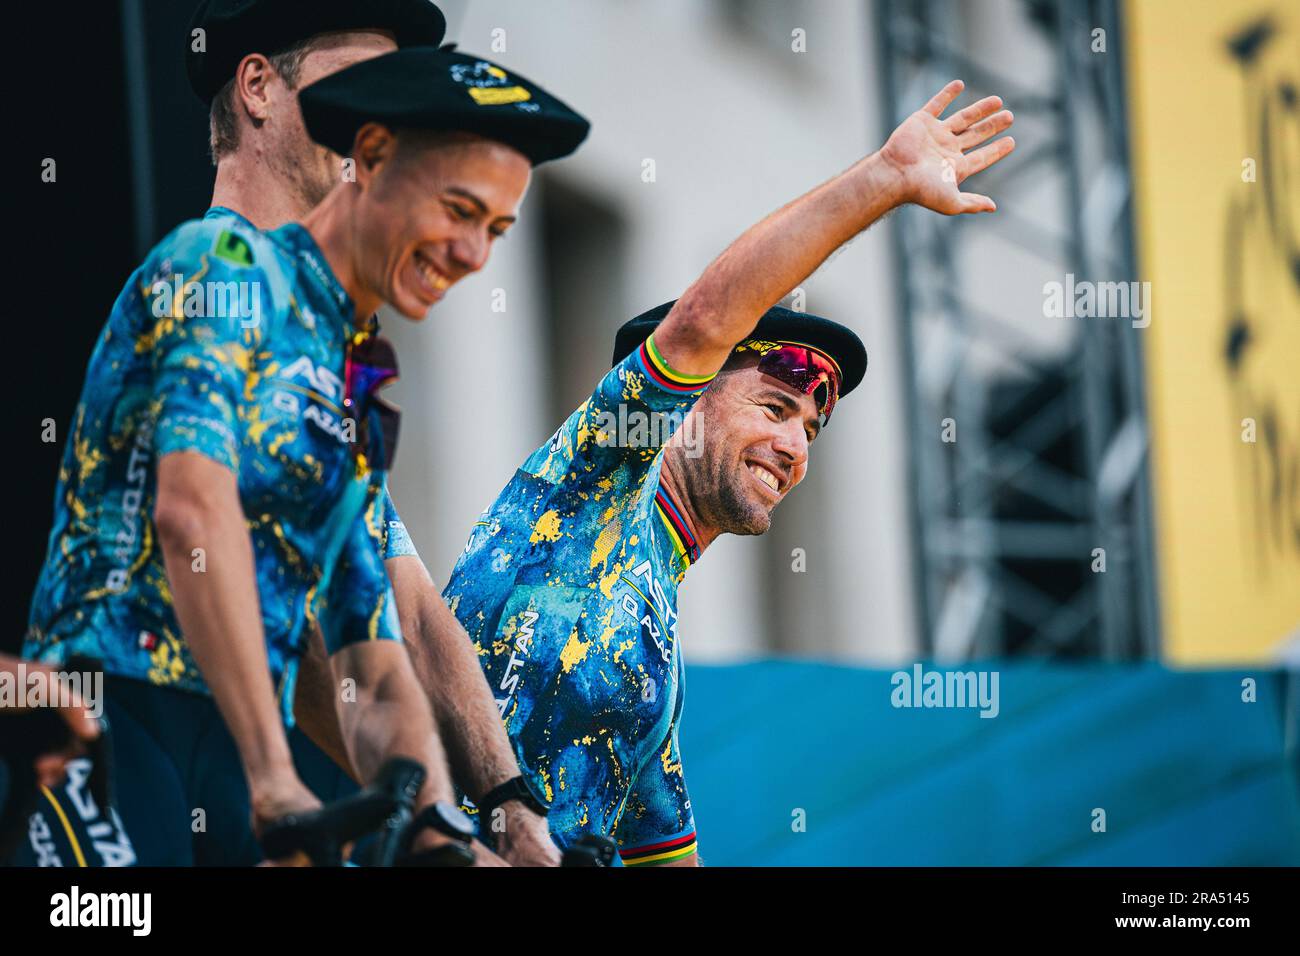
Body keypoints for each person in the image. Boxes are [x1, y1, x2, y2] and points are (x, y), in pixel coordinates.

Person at [19, 46, 588, 865]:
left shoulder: (349, 377)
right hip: (108, 723)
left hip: (231, 757)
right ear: (374, 157)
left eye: (496, 230)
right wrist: (273, 773)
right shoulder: (224, 265)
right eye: (459, 209)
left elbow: (372, 650)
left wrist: (447, 831)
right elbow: (191, 515)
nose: (474, 256)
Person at [441, 79, 1015, 864]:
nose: (797, 446)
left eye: (812, 427)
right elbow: (708, 319)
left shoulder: (656, 659)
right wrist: (884, 178)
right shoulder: (596, 476)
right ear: (677, 406)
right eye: (776, 408)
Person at [190, 0, 566, 867]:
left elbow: (406, 600)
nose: (380, 113)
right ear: (257, 87)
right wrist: (434, 824)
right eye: (360, 83)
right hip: (189, 797)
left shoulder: (331, 334)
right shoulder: (219, 282)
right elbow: (263, 585)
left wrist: (509, 808)